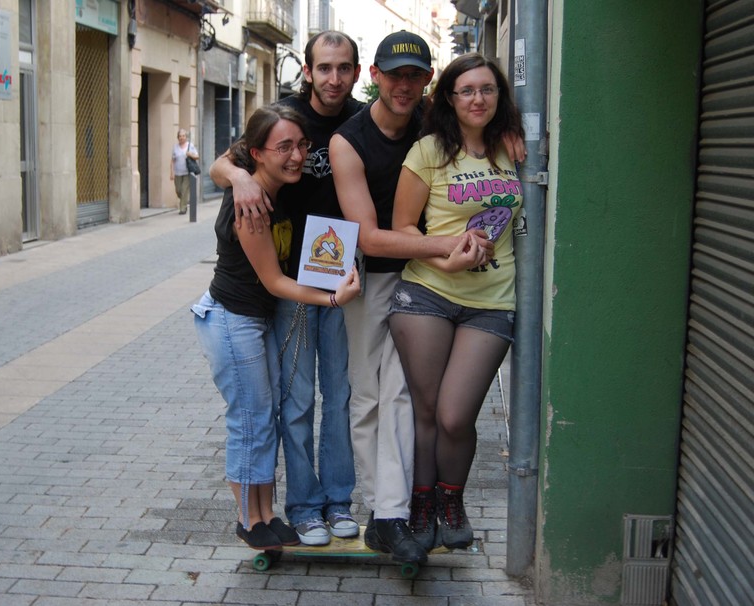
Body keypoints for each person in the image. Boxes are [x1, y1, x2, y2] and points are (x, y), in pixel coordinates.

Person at [329, 31, 496, 565]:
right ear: (374, 76)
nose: (404, 85)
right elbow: (370, 236)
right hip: (373, 275)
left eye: (414, 74)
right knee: (368, 394)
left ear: (428, 79)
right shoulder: (348, 140)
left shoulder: (435, 122)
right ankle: (381, 507)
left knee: (404, 396)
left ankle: (394, 514)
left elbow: (488, 135)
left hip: (428, 280)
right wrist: (448, 244)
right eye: (394, 74)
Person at [210, 31, 364, 546]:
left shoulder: (361, 119)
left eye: (344, 67)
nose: (334, 78)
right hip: (289, 284)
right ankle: (302, 507)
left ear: (357, 72)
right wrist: (240, 178)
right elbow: (223, 162)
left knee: (338, 394)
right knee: (294, 400)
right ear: (308, 69)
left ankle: (339, 500)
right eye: (325, 67)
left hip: (338, 269)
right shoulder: (284, 116)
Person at [388, 53, 525, 551]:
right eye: (466, 90)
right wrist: (445, 260)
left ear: (499, 97)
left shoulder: (514, 149)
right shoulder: (427, 151)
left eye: (487, 89)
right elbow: (404, 228)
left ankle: (452, 499)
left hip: (492, 301)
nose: (477, 99)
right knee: (426, 413)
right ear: (449, 97)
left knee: (455, 415)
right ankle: (421, 506)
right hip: (428, 293)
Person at [171, 128, 199, 215]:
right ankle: (184, 201)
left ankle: (183, 208)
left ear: (186, 137)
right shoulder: (175, 147)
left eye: (183, 136)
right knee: (178, 191)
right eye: (180, 136)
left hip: (187, 172)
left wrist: (190, 154)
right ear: (178, 137)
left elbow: (197, 156)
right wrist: (171, 172)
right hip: (178, 173)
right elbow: (172, 160)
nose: (181, 138)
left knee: (184, 190)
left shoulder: (190, 146)